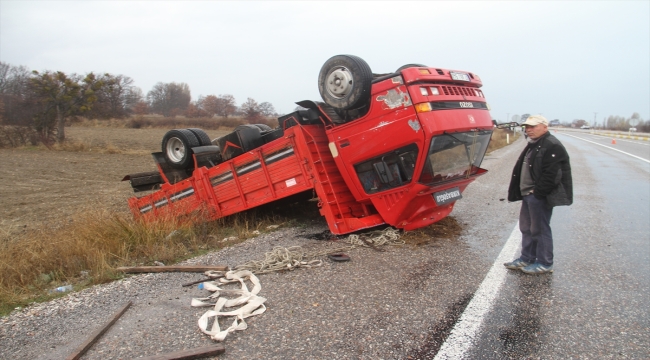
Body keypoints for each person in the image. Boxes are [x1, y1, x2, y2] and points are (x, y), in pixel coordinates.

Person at [504, 115, 573, 274]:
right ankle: (527, 258)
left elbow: (553, 174)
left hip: (538, 196)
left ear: (544, 127)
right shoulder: (535, 144)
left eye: (533, 126)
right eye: (527, 127)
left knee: (540, 229)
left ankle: (544, 263)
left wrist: (538, 192)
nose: (529, 130)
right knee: (526, 228)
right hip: (529, 194)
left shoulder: (551, 145)